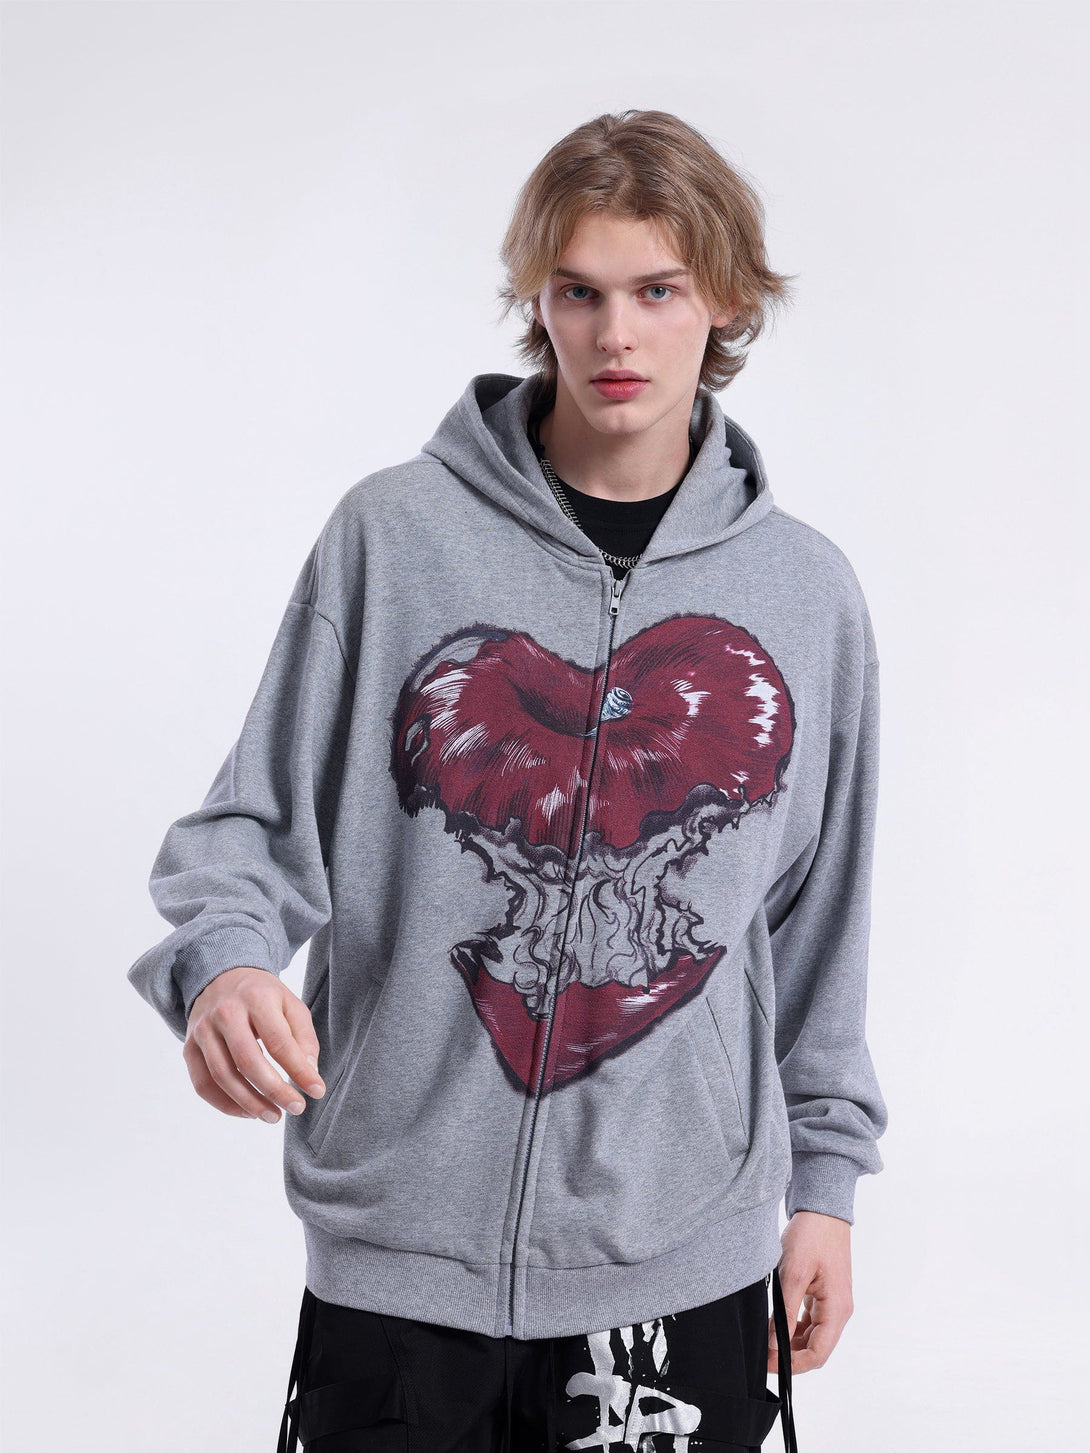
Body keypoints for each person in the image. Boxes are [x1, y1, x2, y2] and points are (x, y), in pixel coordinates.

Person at [128, 109, 888, 1453]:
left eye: (657, 291)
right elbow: (246, 831)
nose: (614, 335)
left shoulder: (805, 594)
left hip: (683, 1262)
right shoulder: (393, 537)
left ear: (723, 299)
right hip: (397, 1266)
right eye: (577, 292)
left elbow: (819, 929)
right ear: (536, 301)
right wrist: (226, 967)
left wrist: (824, 1183)